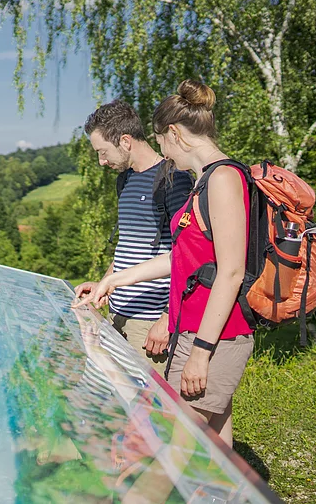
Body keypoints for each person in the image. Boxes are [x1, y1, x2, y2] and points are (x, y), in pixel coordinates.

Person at [74, 81, 253, 447]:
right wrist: (113, 281)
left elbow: (231, 271)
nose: (164, 153)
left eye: (162, 142)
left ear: (174, 133)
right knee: (211, 442)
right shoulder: (204, 180)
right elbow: (181, 257)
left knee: (167, 445)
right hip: (193, 325)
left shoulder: (218, 178)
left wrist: (197, 350)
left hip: (209, 332)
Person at [78, 100, 193, 371]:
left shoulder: (175, 180)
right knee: (120, 402)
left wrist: (167, 319)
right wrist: (102, 284)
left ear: (126, 141)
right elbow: (128, 248)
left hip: (150, 324)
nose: (101, 161)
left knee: (151, 408)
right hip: (117, 315)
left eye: (103, 151)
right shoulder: (125, 180)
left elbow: (187, 257)